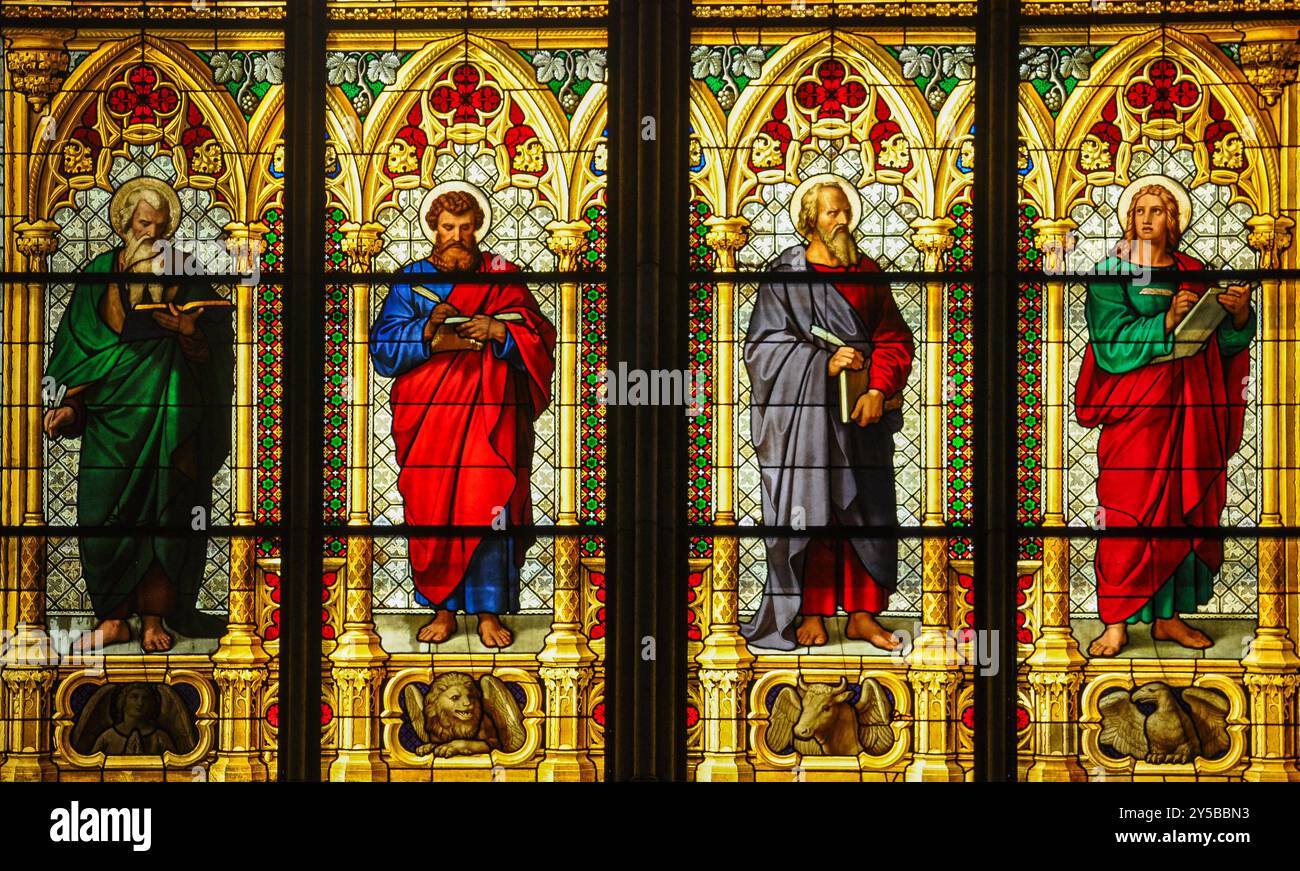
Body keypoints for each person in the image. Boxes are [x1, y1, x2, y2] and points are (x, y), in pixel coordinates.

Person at [43, 177, 234, 653]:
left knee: (166, 516)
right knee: (102, 514)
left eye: (162, 226)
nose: (153, 234)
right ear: (126, 223)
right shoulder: (96, 277)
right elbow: (77, 348)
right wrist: (70, 404)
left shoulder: (186, 275)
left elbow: (219, 347)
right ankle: (112, 618)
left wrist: (189, 333)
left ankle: (153, 619)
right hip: (111, 425)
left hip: (172, 420)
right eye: (145, 224)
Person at [1075, 176, 1254, 657]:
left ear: (1173, 221)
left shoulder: (1193, 272)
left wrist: (1236, 318)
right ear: (1128, 219)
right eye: (1140, 210)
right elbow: (1110, 341)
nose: (1148, 218)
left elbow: (1222, 347)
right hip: (1135, 413)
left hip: (1190, 410)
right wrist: (1166, 321)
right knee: (1127, 513)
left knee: (1181, 510)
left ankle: (1167, 618)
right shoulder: (1111, 273)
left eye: (1158, 210)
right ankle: (1115, 619)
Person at [371, 184, 556, 648]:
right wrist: (428, 327)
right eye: (448, 227)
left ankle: (489, 610)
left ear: (478, 228)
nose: (458, 236)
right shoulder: (411, 280)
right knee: (432, 506)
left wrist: (499, 329)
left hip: (492, 414)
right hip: (428, 416)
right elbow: (383, 347)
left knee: (489, 498)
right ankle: (444, 608)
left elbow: (540, 335)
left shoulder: (502, 276)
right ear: (433, 227)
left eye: (467, 227)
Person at [742, 176, 915, 651]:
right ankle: (812, 610)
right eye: (830, 212)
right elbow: (762, 348)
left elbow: (895, 338)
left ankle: (862, 614)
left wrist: (878, 387)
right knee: (812, 506)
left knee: (866, 508)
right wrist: (822, 361)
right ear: (809, 221)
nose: (841, 220)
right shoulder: (785, 275)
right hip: (806, 419)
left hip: (862, 417)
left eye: (845, 211)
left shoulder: (867, 272)